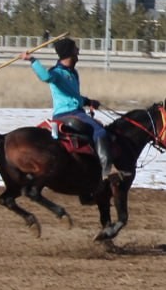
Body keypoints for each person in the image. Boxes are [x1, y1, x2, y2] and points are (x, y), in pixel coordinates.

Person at [20, 37, 127, 190]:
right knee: (99, 130)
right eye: (75, 48)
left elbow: (73, 97)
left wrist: (88, 101)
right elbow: (45, 77)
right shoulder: (56, 73)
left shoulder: (73, 73)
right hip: (66, 114)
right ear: (69, 53)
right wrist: (32, 60)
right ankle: (108, 169)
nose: (78, 51)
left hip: (77, 111)